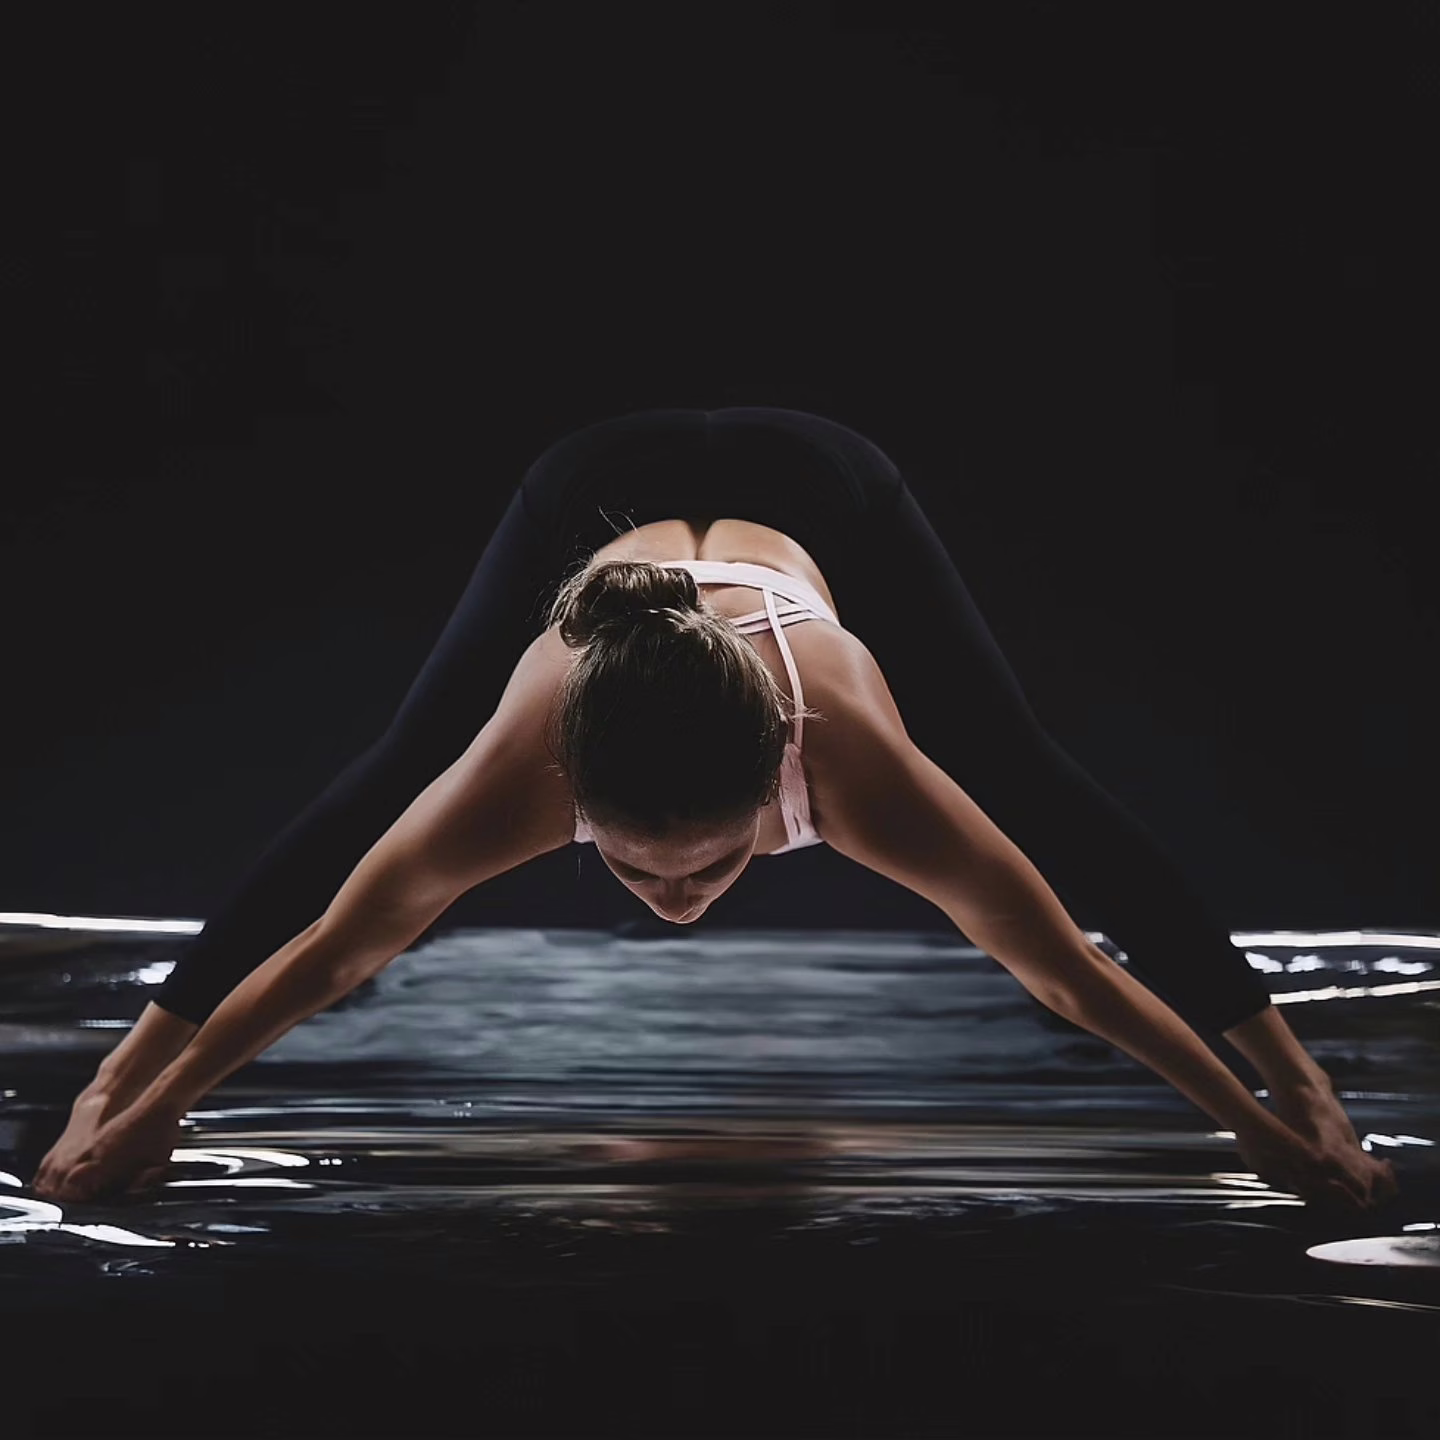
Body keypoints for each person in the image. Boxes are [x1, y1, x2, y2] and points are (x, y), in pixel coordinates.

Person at [32, 406, 1396, 1213]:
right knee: (390, 772)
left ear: (779, 788)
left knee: (1030, 774)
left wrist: (1272, 1121)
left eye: (703, 871)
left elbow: (1065, 973)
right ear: (576, 792)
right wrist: (144, 1103)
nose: (678, 904)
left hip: (825, 489)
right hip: (593, 484)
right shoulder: (520, 770)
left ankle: (1311, 1064)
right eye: (646, 876)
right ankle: (107, 1072)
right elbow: (336, 952)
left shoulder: (856, 758)